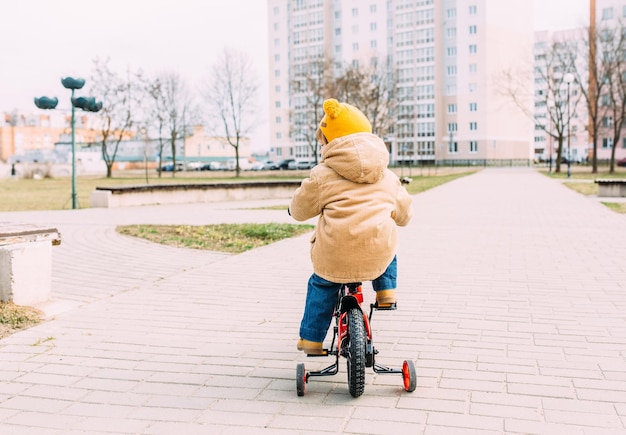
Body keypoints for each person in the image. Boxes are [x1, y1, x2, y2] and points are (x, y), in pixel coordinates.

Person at [289, 98, 413, 355]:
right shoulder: (388, 177)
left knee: (321, 286)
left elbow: (301, 209)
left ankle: (311, 340)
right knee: (387, 240)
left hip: (334, 255)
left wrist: (292, 209)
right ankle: (386, 291)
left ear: (329, 142)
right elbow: (404, 215)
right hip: (376, 255)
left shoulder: (321, 175)